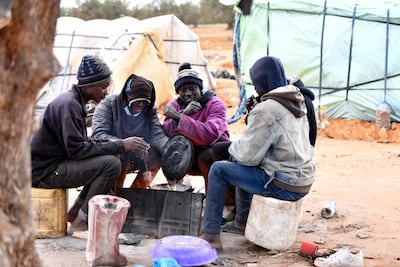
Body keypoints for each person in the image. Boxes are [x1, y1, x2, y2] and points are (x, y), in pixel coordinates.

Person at [200, 56, 316, 249]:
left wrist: (232, 148)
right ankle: (242, 221)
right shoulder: (297, 100)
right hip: (303, 179)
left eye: (256, 84)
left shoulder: (267, 109)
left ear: (263, 81)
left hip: (283, 184)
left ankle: (211, 235)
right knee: (244, 165)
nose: (255, 89)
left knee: (219, 169)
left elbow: (245, 156)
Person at [31, 55, 150, 233]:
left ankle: (74, 212)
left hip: (51, 164)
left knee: (108, 158)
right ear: (89, 86)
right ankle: (82, 220)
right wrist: (121, 145)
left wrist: (116, 143)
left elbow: (81, 143)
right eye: (103, 87)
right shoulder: (69, 106)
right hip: (44, 172)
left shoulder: (74, 102)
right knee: (110, 165)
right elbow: (77, 151)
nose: (106, 92)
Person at [163, 62, 233, 204]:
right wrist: (183, 114)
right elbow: (167, 133)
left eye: (192, 88)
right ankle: (177, 200)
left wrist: (179, 117)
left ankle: (217, 202)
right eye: (183, 89)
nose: (188, 93)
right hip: (188, 155)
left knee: (206, 157)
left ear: (200, 88)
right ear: (178, 92)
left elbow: (210, 135)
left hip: (213, 154)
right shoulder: (175, 105)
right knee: (167, 154)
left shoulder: (215, 104)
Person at [91, 73, 169, 189]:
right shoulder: (108, 106)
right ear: (127, 97)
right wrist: (124, 144)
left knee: (156, 157)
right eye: (138, 101)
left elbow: (156, 133)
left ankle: (136, 194)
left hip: (139, 156)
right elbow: (98, 135)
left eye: (145, 102)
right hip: (112, 154)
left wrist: (168, 148)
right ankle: (115, 195)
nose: (141, 105)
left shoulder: (149, 110)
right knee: (120, 159)